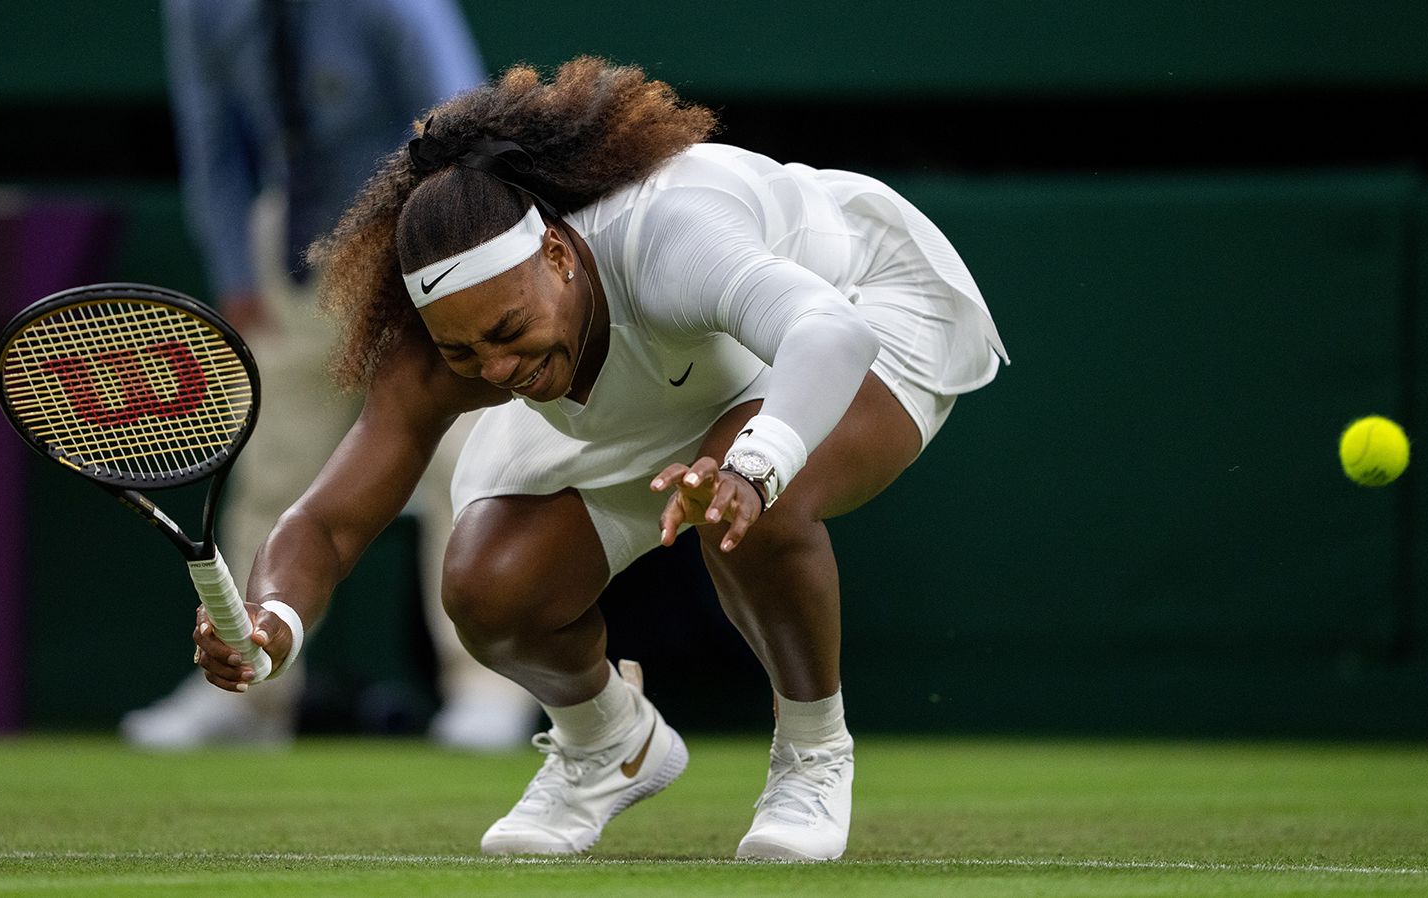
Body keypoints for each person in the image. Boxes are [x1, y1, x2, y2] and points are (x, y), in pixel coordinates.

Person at [191, 57, 1009, 860]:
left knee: (763, 498)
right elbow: (329, 523)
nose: (497, 369)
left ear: (555, 255)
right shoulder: (449, 346)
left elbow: (827, 332)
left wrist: (752, 466)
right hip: (652, 384)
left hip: (861, 305)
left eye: (508, 333)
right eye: (467, 352)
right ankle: (608, 745)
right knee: (486, 586)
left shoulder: (671, 237)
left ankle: (813, 755)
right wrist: (273, 622)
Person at [123, 0, 538, 751]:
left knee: (464, 466)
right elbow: (211, 134)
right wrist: (233, 267)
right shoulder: (199, 9)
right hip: (294, 247)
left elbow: (459, 122)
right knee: (272, 474)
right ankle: (249, 692)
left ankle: (488, 688)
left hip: (417, 239)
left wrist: (441, 257)